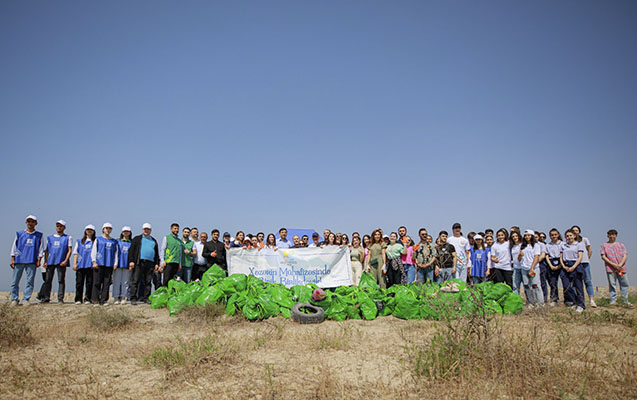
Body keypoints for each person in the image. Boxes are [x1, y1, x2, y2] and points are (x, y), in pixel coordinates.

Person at [9, 215, 44, 306]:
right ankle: (14, 299)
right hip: (19, 260)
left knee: (30, 281)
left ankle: (26, 299)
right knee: (15, 281)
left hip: (32, 260)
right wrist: (12, 259)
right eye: (28, 221)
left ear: (36, 223)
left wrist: (39, 260)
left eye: (32, 222)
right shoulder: (19, 234)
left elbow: (41, 248)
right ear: (26, 223)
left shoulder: (39, 235)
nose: (30, 223)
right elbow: (14, 247)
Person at [128, 223, 160, 305]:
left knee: (148, 282)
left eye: (148, 229)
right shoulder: (137, 239)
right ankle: (133, 298)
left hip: (150, 263)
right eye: (145, 229)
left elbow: (156, 253)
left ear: (150, 230)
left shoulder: (153, 240)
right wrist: (131, 261)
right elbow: (131, 251)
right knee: (135, 280)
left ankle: (146, 298)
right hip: (139, 262)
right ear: (142, 230)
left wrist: (157, 263)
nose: (146, 231)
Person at [41, 220, 73, 303]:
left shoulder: (68, 238)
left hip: (61, 262)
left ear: (64, 228)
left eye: (61, 226)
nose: (59, 227)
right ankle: (46, 297)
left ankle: (60, 298)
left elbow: (69, 250)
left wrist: (65, 260)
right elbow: (47, 251)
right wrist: (45, 261)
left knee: (61, 280)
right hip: (51, 261)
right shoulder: (50, 238)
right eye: (58, 226)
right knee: (48, 280)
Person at [91, 222, 119, 306]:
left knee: (106, 283)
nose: (108, 230)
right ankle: (95, 300)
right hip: (99, 263)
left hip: (109, 264)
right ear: (103, 229)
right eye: (106, 228)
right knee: (97, 282)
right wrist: (94, 261)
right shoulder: (98, 239)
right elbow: (94, 250)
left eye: (109, 228)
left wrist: (115, 263)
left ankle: (104, 300)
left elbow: (116, 253)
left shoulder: (114, 241)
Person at [600, 229, 630, 306]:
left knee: (624, 284)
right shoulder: (604, 245)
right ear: (607, 236)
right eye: (610, 234)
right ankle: (613, 300)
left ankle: (625, 300)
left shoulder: (621, 245)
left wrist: (620, 265)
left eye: (613, 234)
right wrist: (613, 264)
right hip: (610, 268)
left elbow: (625, 255)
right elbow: (603, 256)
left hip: (621, 268)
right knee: (612, 284)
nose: (611, 236)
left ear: (616, 236)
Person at [560, 229, 586, 312]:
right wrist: (564, 266)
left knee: (578, 286)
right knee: (566, 286)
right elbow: (561, 257)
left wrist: (574, 267)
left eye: (570, 235)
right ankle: (574, 302)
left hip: (576, 265)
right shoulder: (563, 245)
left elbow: (580, 257)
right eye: (567, 236)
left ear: (574, 236)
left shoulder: (579, 245)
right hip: (565, 265)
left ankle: (581, 304)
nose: (569, 237)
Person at [571, 225, 597, 308]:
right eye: (573, 230)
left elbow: (590, 250)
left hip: (584, 263)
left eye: (576, 230)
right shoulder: (570, 241)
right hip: (575, 264)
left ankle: (591, 300)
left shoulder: (584, 239)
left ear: (579, 232)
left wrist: (587, 258)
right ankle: (578, 300)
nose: (575, 232)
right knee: (576, 283)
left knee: (588, 281)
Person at [519, 230, 542, 307]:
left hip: (533, 268)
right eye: (525, 235)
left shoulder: (536, 245)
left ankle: (540, 303)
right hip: (524, 268)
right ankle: (531, 302)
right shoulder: (522, 246)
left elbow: (536, 257)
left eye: (528, 235)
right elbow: (519, 259)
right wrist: (520, 255)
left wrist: (532, 268)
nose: (527, 237)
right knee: (527, 286)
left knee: (536, 285)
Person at [72, 225, 95, 304]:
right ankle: (78, 299)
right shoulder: (79, 241)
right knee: (79, 283)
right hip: (81, 264)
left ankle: (87, 298)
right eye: (88, 230)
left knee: (89, 283)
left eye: (91, 230)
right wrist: (74, 263)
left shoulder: (95, 241)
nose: (89, 231)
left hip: (90, 265)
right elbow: (76, 253)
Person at [112, 226, 132, 305]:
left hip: (127, 265)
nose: (126, 233)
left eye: (127, 231)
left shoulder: (131, 242)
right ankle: (116, 297)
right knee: (116, 282)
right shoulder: (117, 241)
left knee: (125, 282)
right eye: (124, 231)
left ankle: (124, 297)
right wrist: (115, 263)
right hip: (118, 264)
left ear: (130, 233)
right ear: (122, 233)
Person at [544, 229, 563, 306]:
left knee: (565, 282)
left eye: (555, 234)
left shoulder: (563, 244)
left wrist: (560, 265)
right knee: (553, 283)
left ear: (558, 235)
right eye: (552, 235)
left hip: (561, 262)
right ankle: (554, 299)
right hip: (551, 262)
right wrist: (551, 265)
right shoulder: (548, 245)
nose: (554, 236)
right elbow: (546, 255)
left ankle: (568, 300)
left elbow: (563, 255)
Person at [535, 232, 549, 304]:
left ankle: (544, 299)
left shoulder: (542, 245)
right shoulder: (529, 245)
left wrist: (535, 262)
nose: (535, 238)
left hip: (541, 264)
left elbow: (543, 256)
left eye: (536, 237)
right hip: (532, 266)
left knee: (542, 282)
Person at [510, 230, 523, 295]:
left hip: (523, 267)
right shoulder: (512, 246)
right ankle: (517, 299)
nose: (515, 238)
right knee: (515, 286)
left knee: (527, 285)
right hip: (516, 268)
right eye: (513, 236)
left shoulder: (523, 245)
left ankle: (530, 300)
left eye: (516, 236)